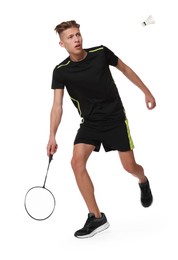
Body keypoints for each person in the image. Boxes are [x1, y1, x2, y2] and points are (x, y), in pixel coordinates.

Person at [47, 20, 156, 239]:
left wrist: (147, 92)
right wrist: (52, 135)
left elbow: (125, 69)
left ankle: (143, 181)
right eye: (70, 37)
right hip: (90, 123)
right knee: (76, 163)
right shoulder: (61, 71)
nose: (76, 39)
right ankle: (96, 217)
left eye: (77, 34)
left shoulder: (100, 52)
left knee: (129, 167)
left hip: (115, 119)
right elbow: (57, 106)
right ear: (62, 44)